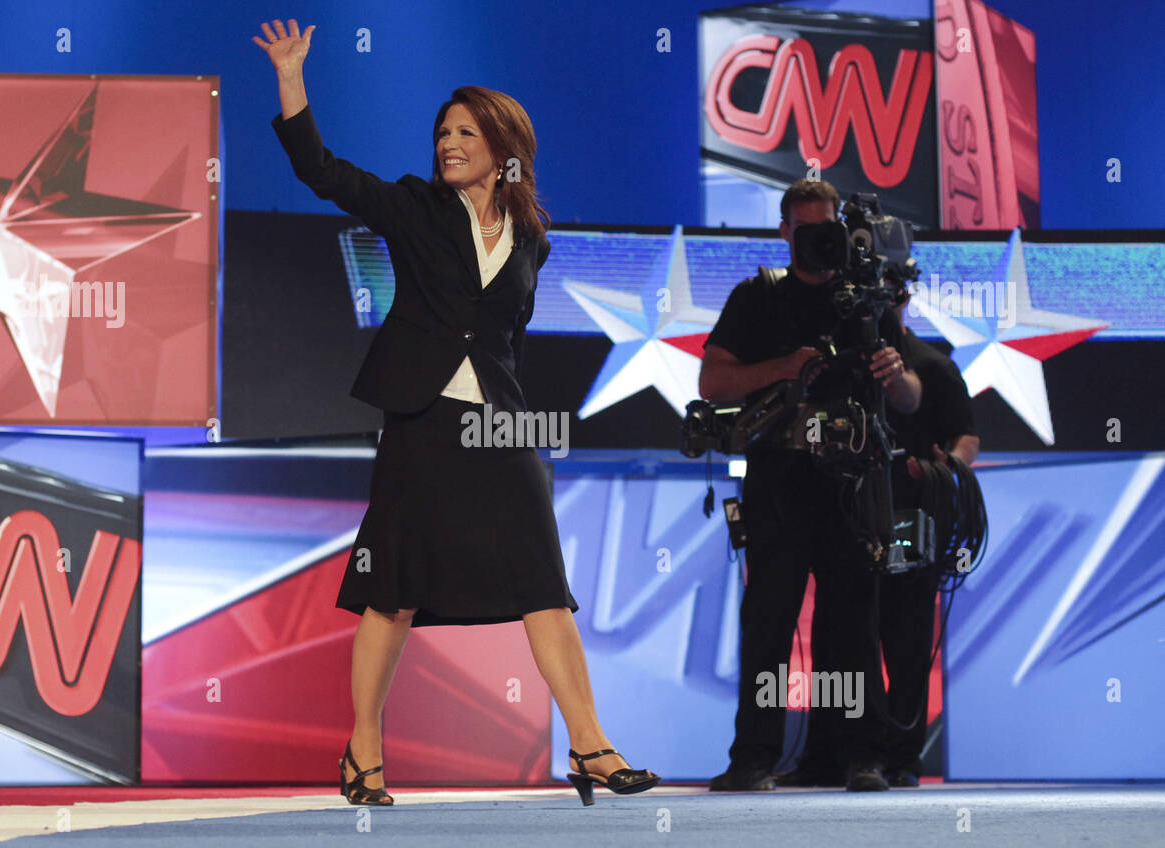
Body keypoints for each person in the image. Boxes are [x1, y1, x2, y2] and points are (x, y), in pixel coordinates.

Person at [253, 18, 658, 807]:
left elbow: (508, 338)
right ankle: (363, 753)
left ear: (504, 145)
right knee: (393, 592)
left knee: (545, 584)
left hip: (500, 426)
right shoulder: (415, 208)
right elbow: (323, 171)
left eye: (465, 131)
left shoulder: (533, 239)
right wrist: (292, 78)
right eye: (443, 131)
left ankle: (591, 746)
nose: (448, 142)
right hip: (421, 419)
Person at [698, 179, 922, 792]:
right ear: (784, 232)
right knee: (769, 619)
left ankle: (858, 755)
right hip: (780, 476)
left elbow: (908, 398)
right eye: (807, 232)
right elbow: (712, 383)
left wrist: (896, 373)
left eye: (829, 229)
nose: (821, 242)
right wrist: (786, 367)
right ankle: (754, 758)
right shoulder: (758, 296)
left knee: (852, 622)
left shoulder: (868, 302)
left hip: (852, 484)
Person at [781, 325, 979, 787]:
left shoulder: (935, 367)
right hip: (846, 521)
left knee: (908, 636)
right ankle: (848, 754)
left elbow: (966, 436)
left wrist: (944, 469)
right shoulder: (835, 366)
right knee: (844, 634)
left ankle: (902, 760)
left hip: (913, 517)